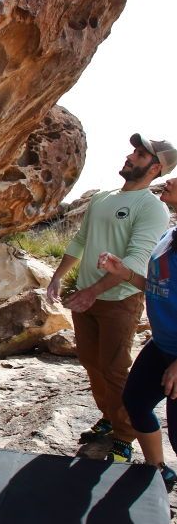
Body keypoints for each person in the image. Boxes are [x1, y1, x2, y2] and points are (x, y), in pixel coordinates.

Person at [47, 133, 172, 462]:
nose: (130, 156)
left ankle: (125, 434)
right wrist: (58, 278)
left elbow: (134, 260)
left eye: (140, 154)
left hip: (120, 299)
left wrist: (91, 292)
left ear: (155, 167)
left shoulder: (152, 208)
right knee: (90, 362)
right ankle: (109, 416)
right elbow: (80, 240)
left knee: (115, 368)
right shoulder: (103, 198)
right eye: (133, 150)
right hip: (85, 298)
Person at [98, 172, 177, 489]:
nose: (169, 181)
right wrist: (125, 273)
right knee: (136, 401)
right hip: (162, 344)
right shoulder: (169, 235)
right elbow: (160, 286)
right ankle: (158, 469)